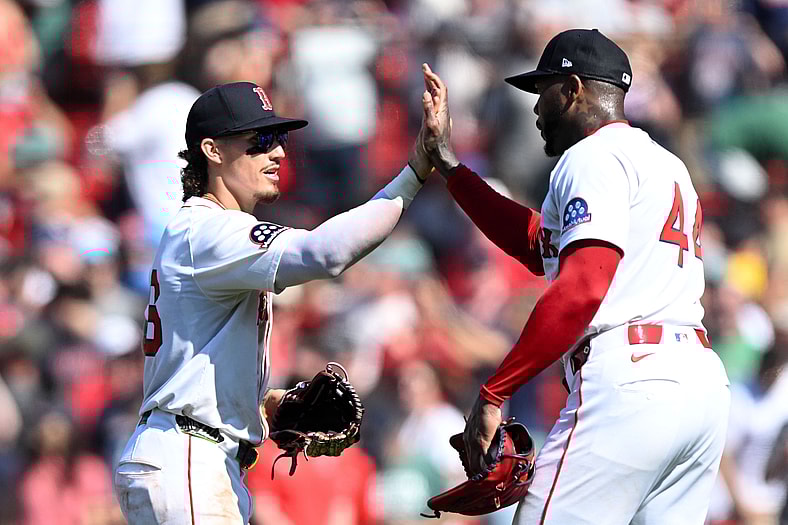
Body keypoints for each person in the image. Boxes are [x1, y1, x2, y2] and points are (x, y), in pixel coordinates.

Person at [420, 29, 731, 524]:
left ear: (572, 90)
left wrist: (494, 391)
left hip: (631, 380)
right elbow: (538, 245)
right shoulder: (668, 164)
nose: (535, 108)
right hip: (699, 383)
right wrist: (450, 166)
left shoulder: (591, 156)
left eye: (542, 91)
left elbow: (583, 287)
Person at [112, 80, 434, 524]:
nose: (278, 152)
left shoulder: (205, 235)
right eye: (259, 140)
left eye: (279, 139)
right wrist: (414, 174)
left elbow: (194, 364)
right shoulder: (208, 230)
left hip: (194, 455)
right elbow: (326, 254)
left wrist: (262, 406)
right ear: (212, 150)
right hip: (190, 457)